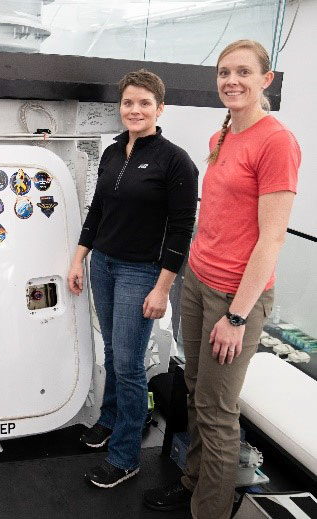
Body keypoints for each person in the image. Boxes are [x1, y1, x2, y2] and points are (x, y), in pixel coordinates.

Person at [144, 40, 300, 519]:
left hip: (236, 296)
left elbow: (271, 240)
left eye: (243, 73)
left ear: (265, 80)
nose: (232, 81)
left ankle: (207, 510)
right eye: (224, 72)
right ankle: (192, 482)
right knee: (194, 388)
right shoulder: (224, 134)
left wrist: (236, 315)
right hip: (198, 280)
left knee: (217, 410)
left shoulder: (277, 142)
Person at [67, 69, 199, 488]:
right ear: (120, 108)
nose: (135, 110)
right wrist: (78, 258)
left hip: (141, 272)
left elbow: (181, 230)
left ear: (160, 109)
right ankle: (110, 419)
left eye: (144, 103)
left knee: (128, 363)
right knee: (113, 349)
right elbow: (97, 212)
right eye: (128, 103)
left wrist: (163, 288)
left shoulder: (176, 161)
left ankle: (125, 456)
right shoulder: (111, 153)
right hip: (102, 264)